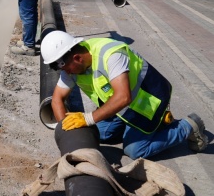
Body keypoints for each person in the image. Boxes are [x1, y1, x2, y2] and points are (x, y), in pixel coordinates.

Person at [41, 30, 209, 159]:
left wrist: (87, 118)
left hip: (148, 102)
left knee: (134, 150)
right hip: (120, 108)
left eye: (66, 68)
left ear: (77, 58)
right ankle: (142, 129)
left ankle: (186, 127)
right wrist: (66, 129)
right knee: (98, 133)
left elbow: (123, 97)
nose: (66, 73)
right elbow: (57, 99)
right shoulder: (71, 66)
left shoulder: (110, 54)